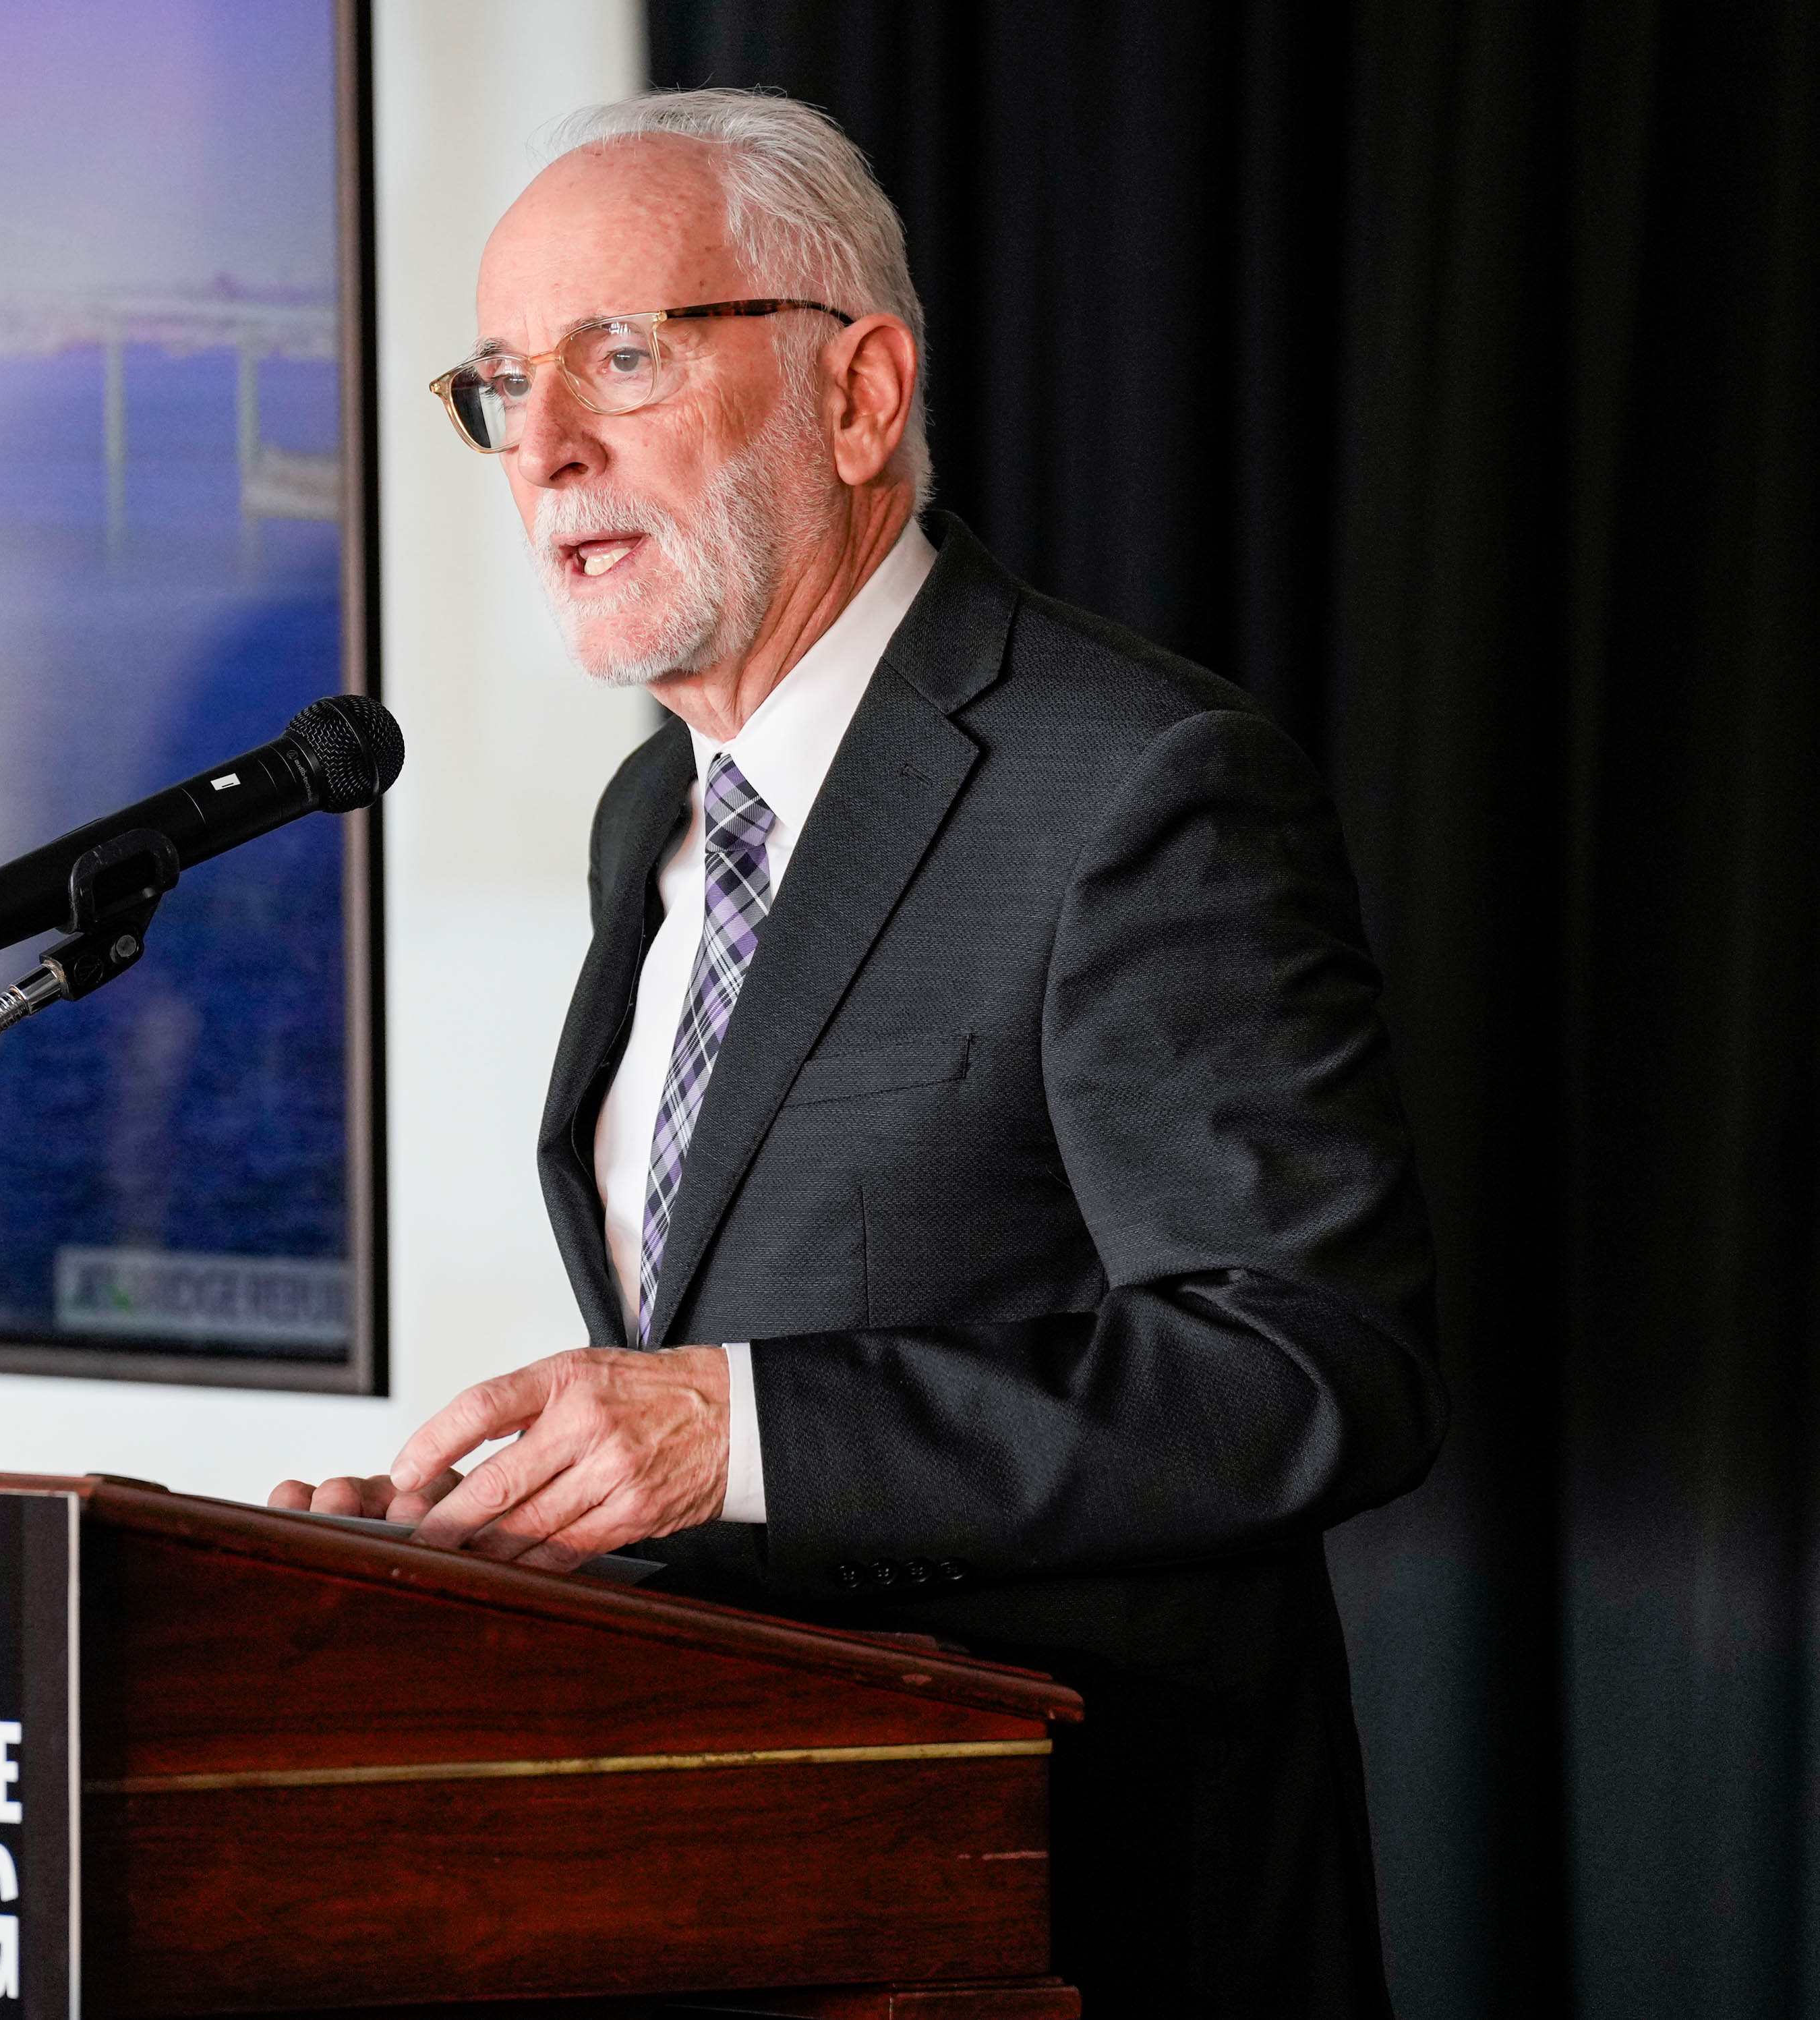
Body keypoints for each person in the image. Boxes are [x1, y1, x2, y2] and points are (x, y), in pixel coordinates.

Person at [270, 90, 1444, 2017]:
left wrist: (732, 1427)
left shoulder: (1133, 785)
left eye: (619, 356)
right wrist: (491, 1543)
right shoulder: (650, 815)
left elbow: (1318, 1365)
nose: (542, 446)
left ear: (860, 393)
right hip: (758, 1905)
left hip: (1091, 1919)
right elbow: (729, 1461)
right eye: (500, 381)